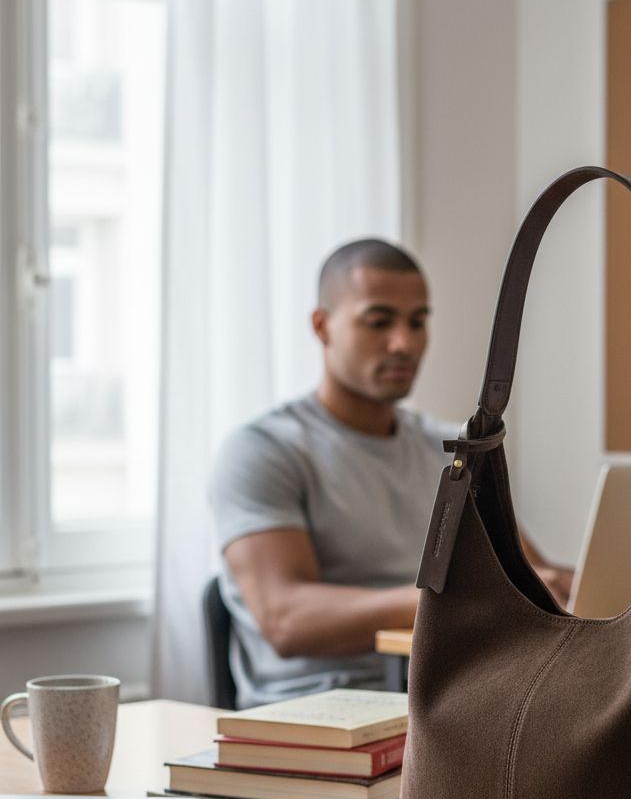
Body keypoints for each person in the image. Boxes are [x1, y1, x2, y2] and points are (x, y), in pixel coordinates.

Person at [209, 239, 572, 707]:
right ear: (323, 326)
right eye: (379, 321)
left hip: (441, 699)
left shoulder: (450, 449)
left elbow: (525, 572)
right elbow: (285, 619)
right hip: (320, 711)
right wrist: (447, 602)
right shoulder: (263, 451)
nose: (404, 343)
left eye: (417, 322)